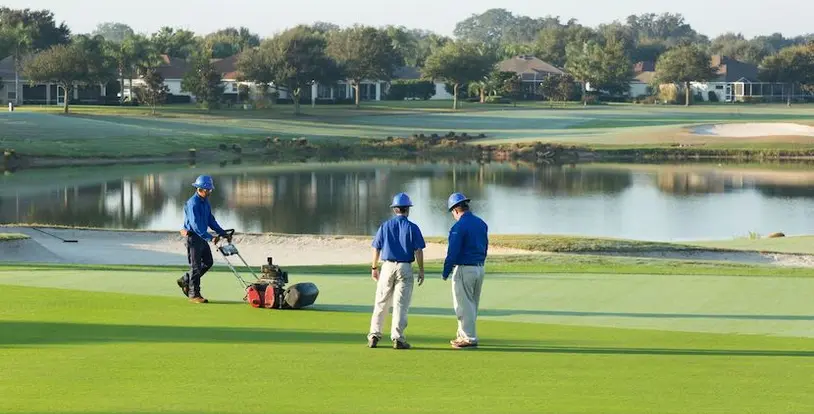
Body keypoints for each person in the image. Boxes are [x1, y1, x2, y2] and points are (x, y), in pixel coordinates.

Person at [367, 192, 426, 350]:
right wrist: (421, 270)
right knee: (401, 304)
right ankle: (398, 338)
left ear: (395, 209)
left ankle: (374, 335)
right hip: (405, 267)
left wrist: (374, 267)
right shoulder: (413, 227)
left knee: (381, 302)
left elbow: (376, 248)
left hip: (387, 266)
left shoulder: (385, 226)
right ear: (408, 209)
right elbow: (418, 251)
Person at [442, 192, 488, 349]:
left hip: (465, 268)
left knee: (463, 305)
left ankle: (469, 337)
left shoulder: (459, 226)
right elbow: (485, 247)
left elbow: (453, 252)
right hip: (479, 268)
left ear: (455, 210)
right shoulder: (481, 223)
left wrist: (446, 270)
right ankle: (464, 334)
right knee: (472, 304)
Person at [177, 175, 229, 304]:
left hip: (202, 237)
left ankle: (186, 279)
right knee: (195, 267)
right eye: (208, 190)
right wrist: (210, 238)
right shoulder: (192, 203)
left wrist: (222, 233)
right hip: (193, 237)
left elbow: (211, 220)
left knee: (208, 262)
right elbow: (196, 225)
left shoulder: (205, 202)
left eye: (210, 190)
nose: (210, 192)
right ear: (200, 189)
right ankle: (194, 294)